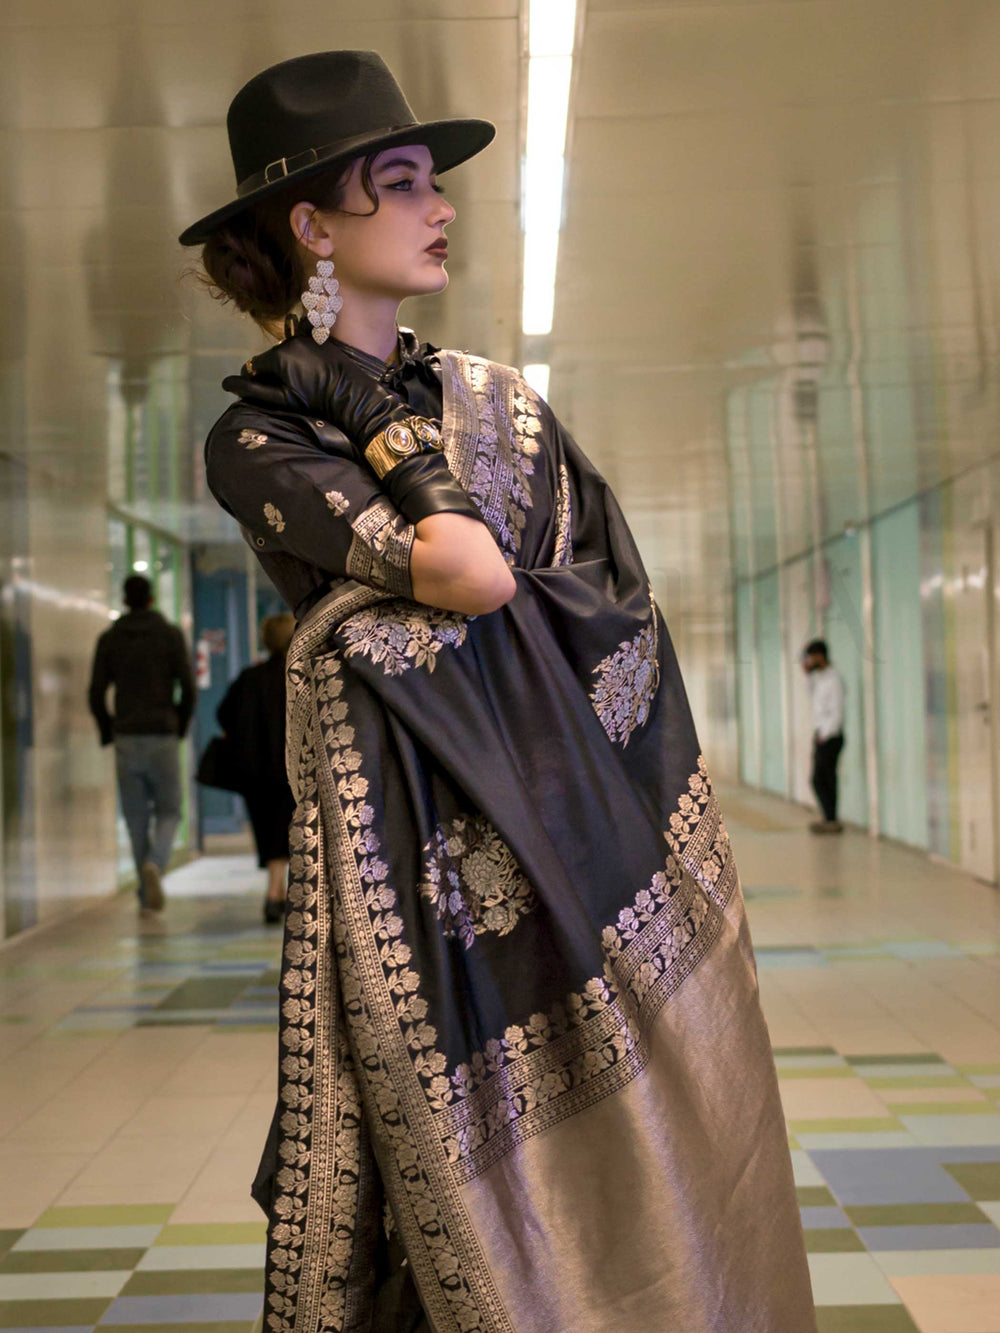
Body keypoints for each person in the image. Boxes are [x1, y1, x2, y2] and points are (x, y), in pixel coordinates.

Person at [180, 50, 816, 1333]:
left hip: (578, 831)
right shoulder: (258, 436)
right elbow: (472, 573)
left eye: (434, 182)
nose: (441, 206)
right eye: (402, 183)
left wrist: (378, 434)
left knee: (648, 1150)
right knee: (432, 1207)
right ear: (313, 225)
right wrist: (361, 410)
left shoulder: (503, 405)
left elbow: (602, 599)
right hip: (417, 878)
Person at [88, 574, 194, 911]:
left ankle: (144, 890)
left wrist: (108, 730)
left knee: (135, 818)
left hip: (127, 737)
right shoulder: (170, 636)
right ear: (151, 600)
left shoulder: (111, 638)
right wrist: (179, 724)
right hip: (162, 733)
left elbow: (95, 691)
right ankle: (155, 866)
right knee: (169, 811)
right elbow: (188, 688)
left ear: (124, 601)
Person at [217, 612, 297, 924]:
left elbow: (225, 715)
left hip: (258, 775)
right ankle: (283, 893)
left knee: (270, 834)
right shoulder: (304, 676)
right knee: (293, 832)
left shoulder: (250, 679)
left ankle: (274, 892)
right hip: (295, 773)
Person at [802, 637, 846, 834]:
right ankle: (829, 818)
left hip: (831, 736)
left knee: (823, 779)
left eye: (811, 657)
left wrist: (825, 735)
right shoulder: (818, 678)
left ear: (821, 656)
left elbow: (837, 711)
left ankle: (831, 819)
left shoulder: (834, 679)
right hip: (821, 733)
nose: (809, 661)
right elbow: (810, 695)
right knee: (821, 779)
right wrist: (807, 674)